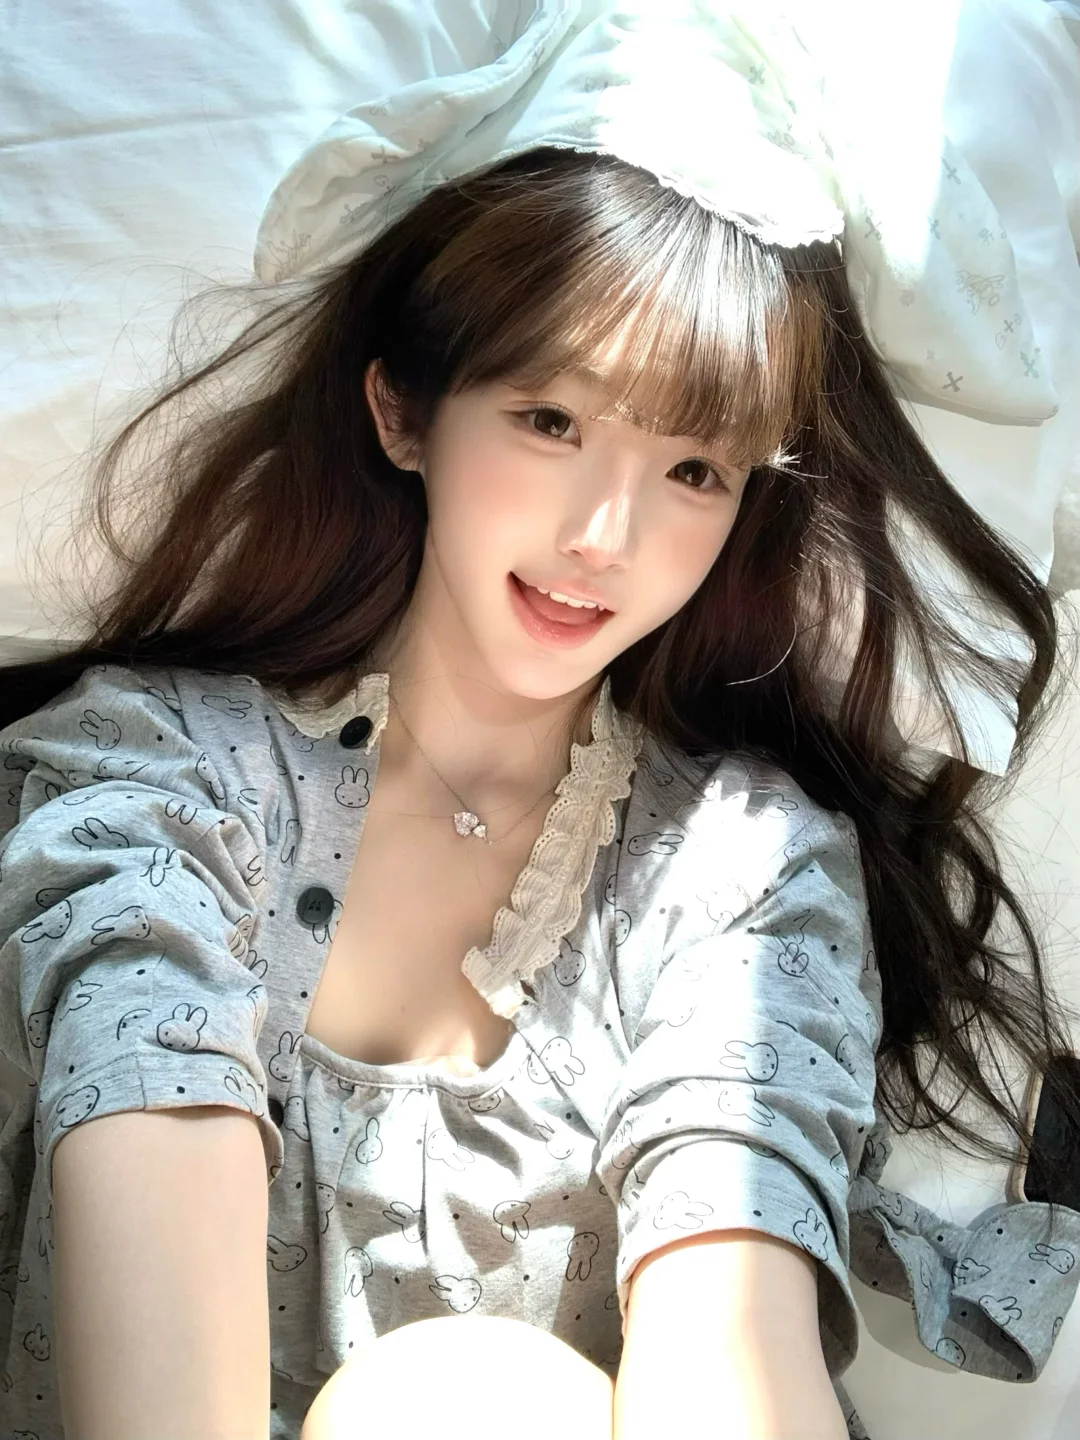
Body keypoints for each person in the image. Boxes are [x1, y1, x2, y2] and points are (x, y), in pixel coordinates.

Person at [1, 24, 1079, 1440]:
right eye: (551, 419)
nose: (605, 537)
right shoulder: (155, 783)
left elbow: (734, 1355)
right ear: (403, 410)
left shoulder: (739, 870)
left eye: (693, 468)